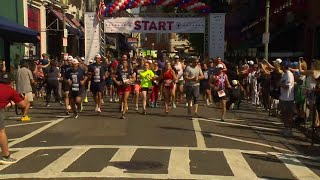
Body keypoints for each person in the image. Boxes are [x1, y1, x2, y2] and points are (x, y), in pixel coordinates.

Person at [0, 72, 27, 164]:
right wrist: (25, 97)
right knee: (1, 132)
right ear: (11, 82)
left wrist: (9, 103)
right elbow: (22, 104)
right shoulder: (10, 90)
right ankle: (6, 156)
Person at [279, 61, 295, 136]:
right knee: (284, 114)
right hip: (283, 97)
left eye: (282, 65)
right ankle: (286, 128)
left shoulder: (289, 74)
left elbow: (287, 86)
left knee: (288, 115)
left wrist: (280, 84)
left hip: (288, 98)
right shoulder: (285, 74)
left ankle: (289, 130)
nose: (281, 67)